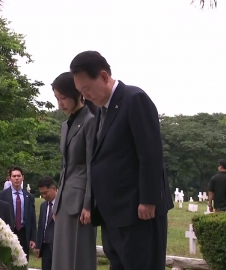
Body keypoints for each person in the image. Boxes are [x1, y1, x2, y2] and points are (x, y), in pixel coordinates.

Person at [70, 51, 173, 270]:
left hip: (138, 212)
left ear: (104, 77)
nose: (85, 96)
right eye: (80, 92)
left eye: (86, 89)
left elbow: (150, 154)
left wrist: (148, 200)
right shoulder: (100, 111)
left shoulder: (134, 99)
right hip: (112, 214)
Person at [49, 71, 97, 270]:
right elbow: (64, 166)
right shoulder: (64, 126)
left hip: (80, 202)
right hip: (64, 199)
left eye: (63, 98)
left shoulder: (90, 121)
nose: (60, 104)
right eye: (56, 98)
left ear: (78, 94)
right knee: (61, 257)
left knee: (79, 257)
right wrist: (56, 204)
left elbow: (91, 166)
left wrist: (88, 204)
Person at [0, 167, 36, 262]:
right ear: (9, 178)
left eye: (19, 176)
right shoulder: (1, 195)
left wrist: (33, 238)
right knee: (7, 261)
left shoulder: (29, 197)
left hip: (23, 232)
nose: (16, 178)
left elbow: (32, 218)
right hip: (8, 232)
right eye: (14, 176)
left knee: (23, 262)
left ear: (23, 178)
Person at [35, 177, 57, 270]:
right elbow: (41, 227)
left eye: (45, 193)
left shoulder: (63, 204)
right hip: (45, 248)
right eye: (41, 193)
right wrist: (38, 245)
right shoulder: (43, 206)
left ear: (54, 189)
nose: (43, 196)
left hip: (58, 247)